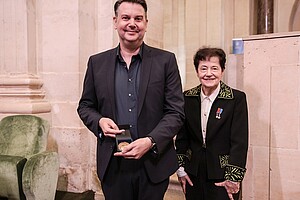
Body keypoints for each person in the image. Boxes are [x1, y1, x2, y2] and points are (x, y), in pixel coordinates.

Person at [77, 0, 185, 199]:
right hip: (113, 163)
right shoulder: (96, 63)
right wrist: (99, 121)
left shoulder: (165, 61)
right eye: (126, 18)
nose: (132, 23)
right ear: (115, 21)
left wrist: (151, 141)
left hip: (153, 163)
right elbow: (85, 106)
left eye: (138, 18)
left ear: (146, 23)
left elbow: (176, 112)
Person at [175, 47, 249, 200]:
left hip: (223, 174)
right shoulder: (187, 97)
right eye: (203, 68)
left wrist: (233, 177)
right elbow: (182, 138)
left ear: (222, 70)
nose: (208, 73)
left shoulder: (236, 99)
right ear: (197, 71)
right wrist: (181, 169)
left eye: (214, 68)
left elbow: (239, 142)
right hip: (193, 173)